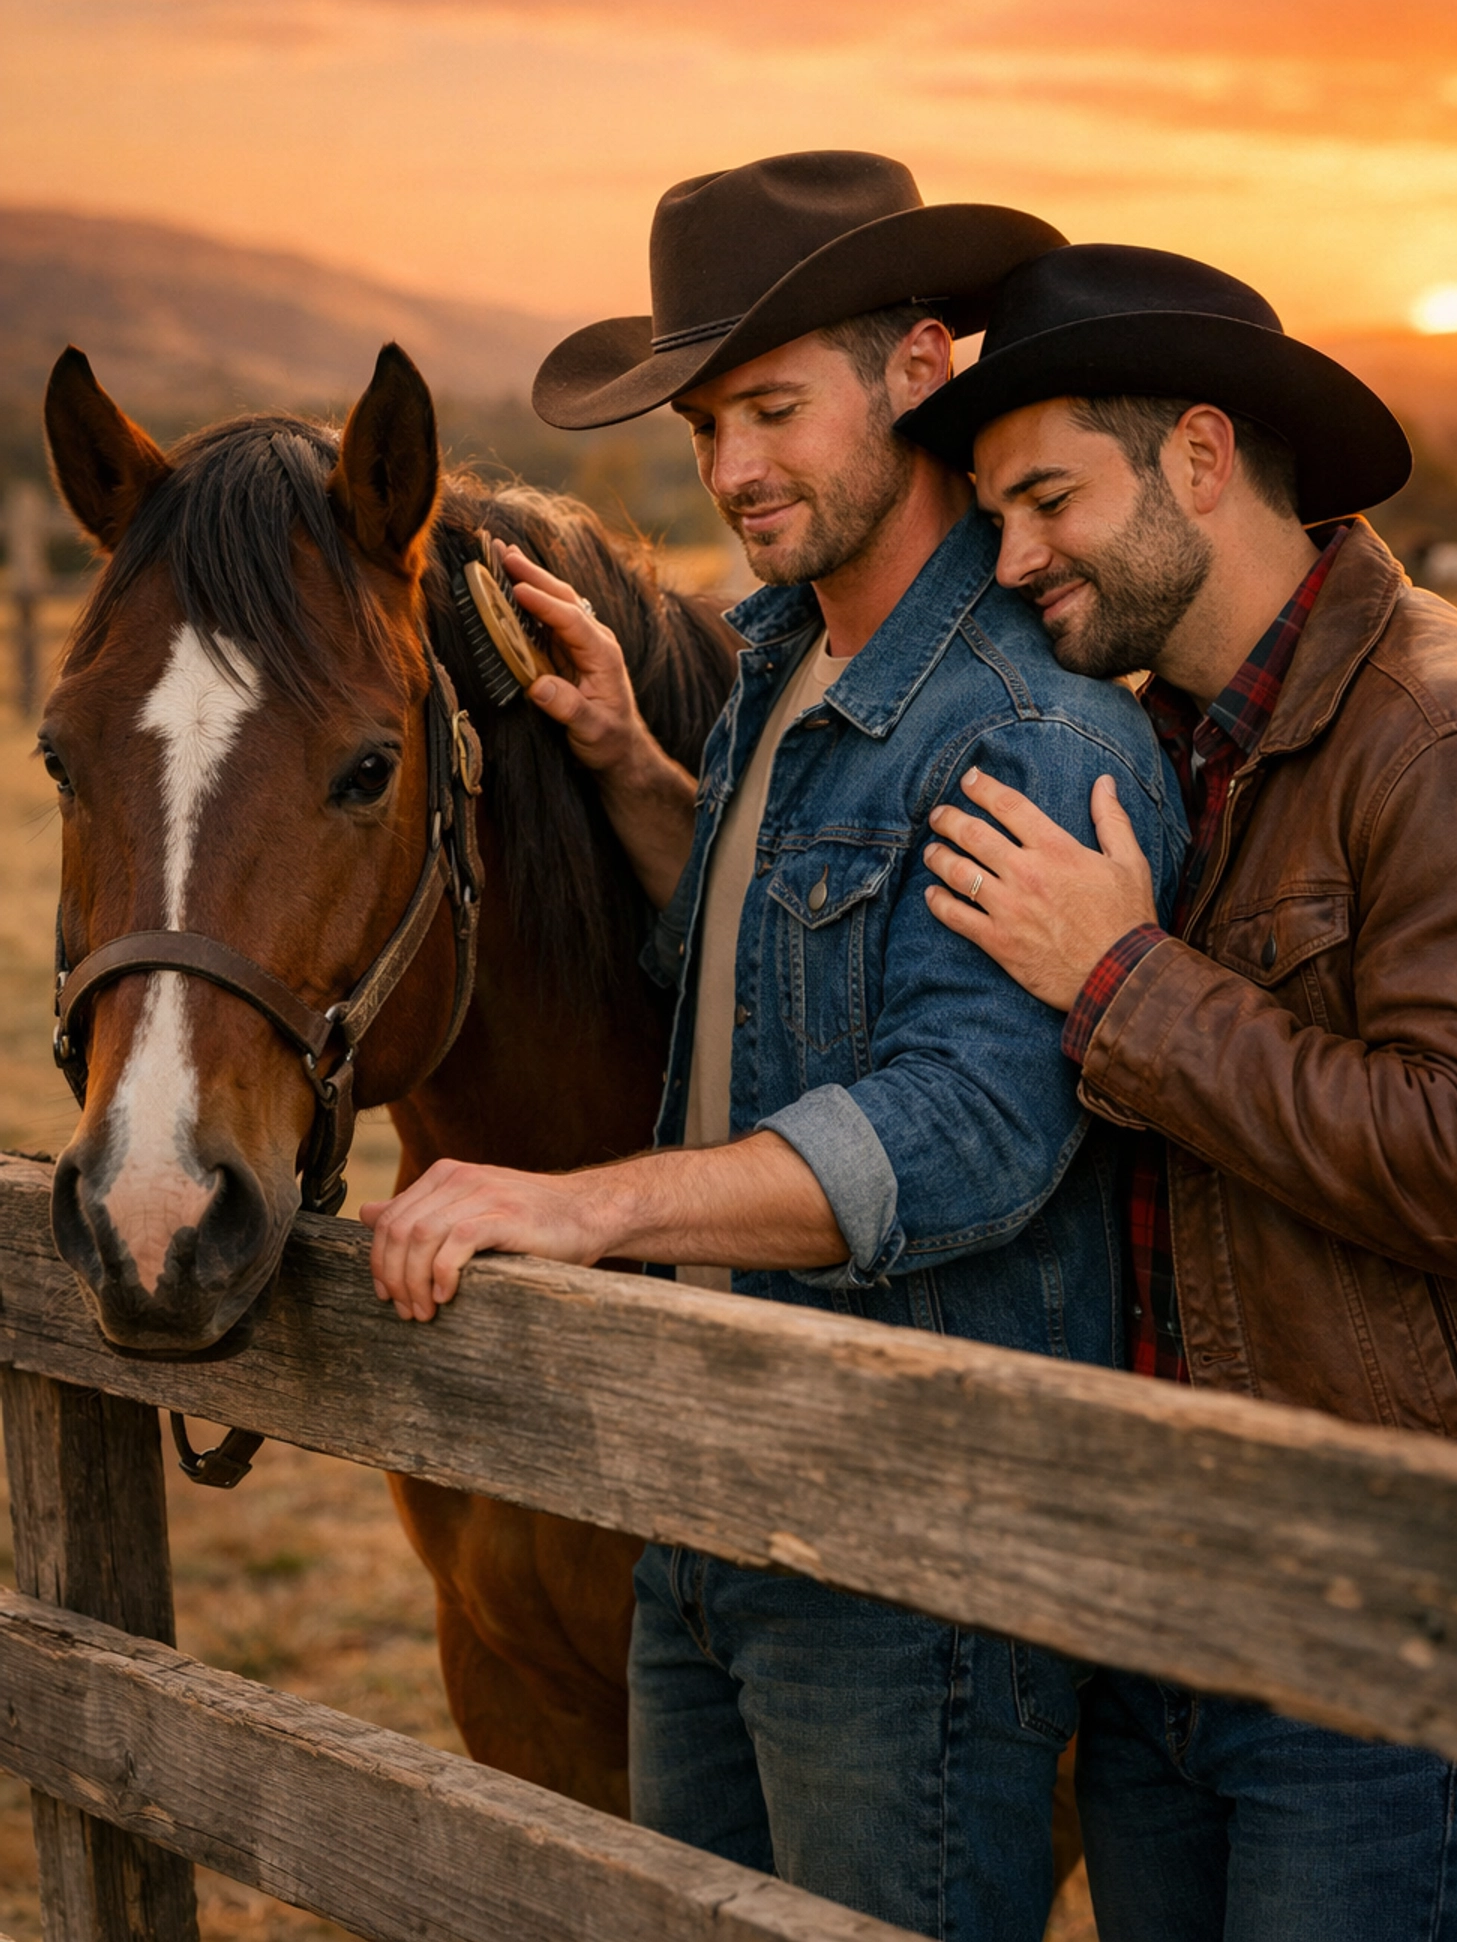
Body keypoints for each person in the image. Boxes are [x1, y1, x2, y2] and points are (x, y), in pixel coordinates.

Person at [362, 153, 1187, 1940]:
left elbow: (969, 1118)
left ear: (917, 370)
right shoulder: (776, 677)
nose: (732, 470)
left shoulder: (1030, 727)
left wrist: (587, 1209)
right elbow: (770, 972)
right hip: (706, 1493)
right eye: (710, 418)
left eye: (775, 409)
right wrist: (639, 775)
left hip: (900, 1545)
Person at [901, 241, 1457, 1942]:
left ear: (1197, 456)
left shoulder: (1456, 739)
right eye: (993, 512)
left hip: (1378, 1634)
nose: (1012, 554)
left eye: (1047, 499)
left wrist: (1128, 984)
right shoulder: (1158, 738)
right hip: (1163, 1603)